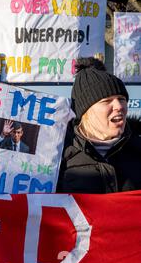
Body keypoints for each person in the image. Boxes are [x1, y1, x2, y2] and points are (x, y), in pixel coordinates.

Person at [56, 57, 141, 193]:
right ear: (86, 111)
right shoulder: (58, 156)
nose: (119, 106)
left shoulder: (137, 150)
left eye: (121, 99)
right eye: (107, 101)